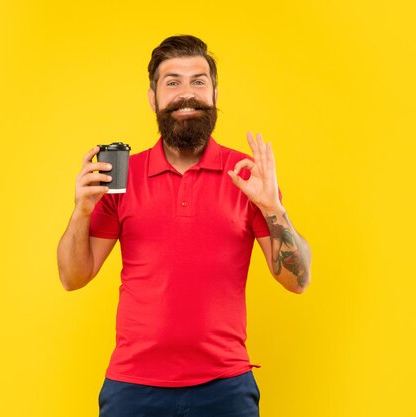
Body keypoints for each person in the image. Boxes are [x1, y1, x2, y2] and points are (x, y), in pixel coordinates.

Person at [57, 35, 312, 417]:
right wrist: (81, 211)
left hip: (225, 386)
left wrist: (273, 207)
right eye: (172, 82)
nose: (186, 94)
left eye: (198, 81)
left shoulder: (247, 174)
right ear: (153, 97)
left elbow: (299, 280)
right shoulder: (122, 178)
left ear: (214, 93)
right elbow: (72, 277)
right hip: (133, 386)